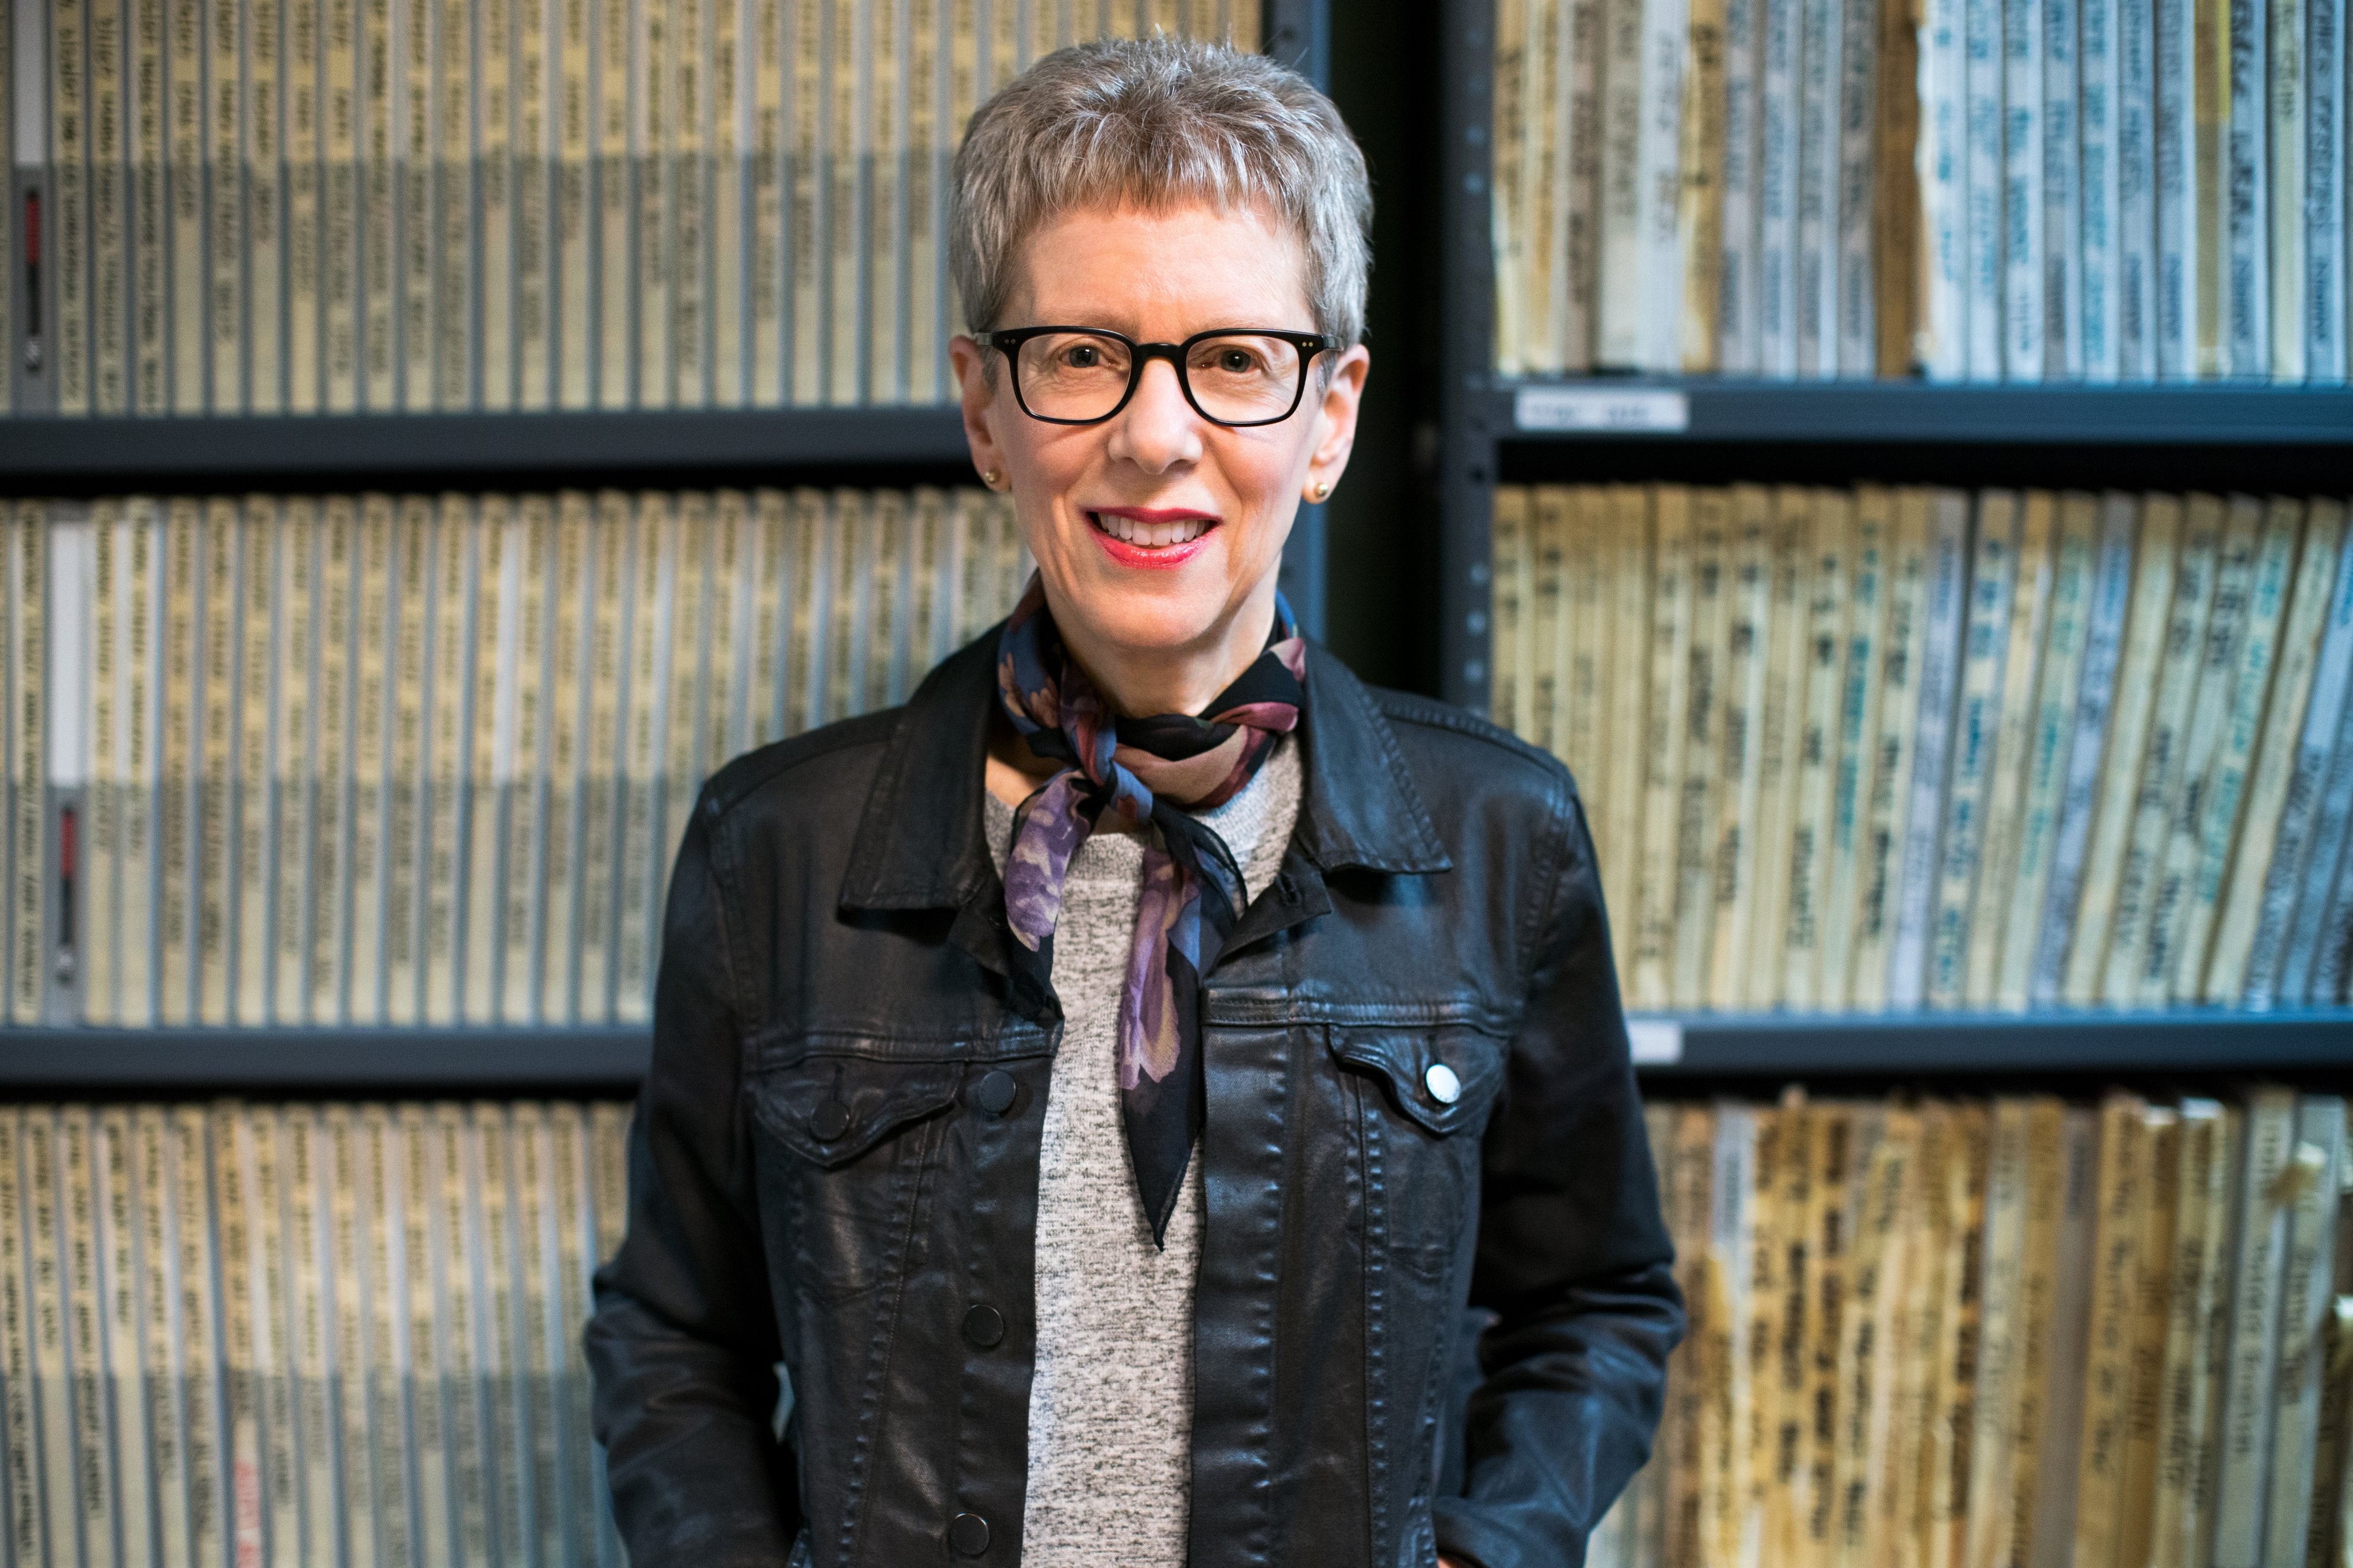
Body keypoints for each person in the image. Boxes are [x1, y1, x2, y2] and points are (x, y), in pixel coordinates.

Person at [585, 36, 1682, 1568]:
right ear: (986, 410)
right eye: (1084, 354)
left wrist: (1481, 1552)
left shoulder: (1503, 840)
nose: (1155, 436)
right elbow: (671, 1335)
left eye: (1234, 360)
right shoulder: (780, 852)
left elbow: (1598, 1305)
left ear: (1334, 416)